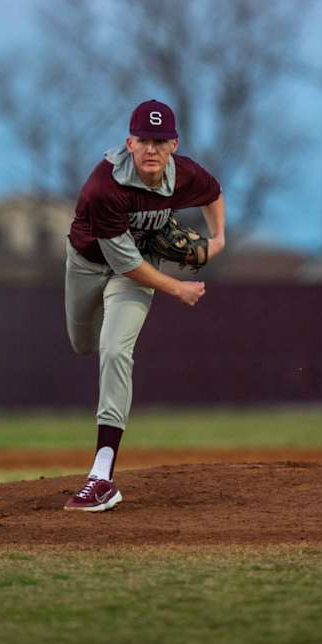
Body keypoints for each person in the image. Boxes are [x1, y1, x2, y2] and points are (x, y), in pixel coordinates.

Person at [63, 99, 225, 511]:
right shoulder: (104, 187)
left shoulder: (184, 172)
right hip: (88, 263)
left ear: (173, 144)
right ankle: (102, 469)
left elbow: (214, 192)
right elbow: (125, 261)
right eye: (143, 140)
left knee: (116, 350)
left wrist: (217, 238)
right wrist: (177, 288)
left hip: (135, 275)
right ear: (128, 143)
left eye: (160, 140)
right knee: (83, 343)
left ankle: (102, 475)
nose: (151, 149)